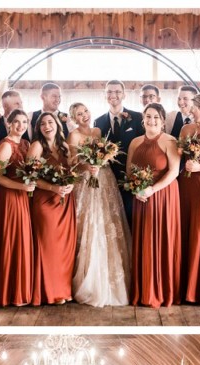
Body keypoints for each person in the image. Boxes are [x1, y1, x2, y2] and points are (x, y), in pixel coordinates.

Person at [67, 101, 131, 307]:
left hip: (105, 179)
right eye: (79, 114)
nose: (84, 115)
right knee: (89, 223)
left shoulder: (98, 130)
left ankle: (113, 277)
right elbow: (72, 161)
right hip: (86, 181)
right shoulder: (74, 136)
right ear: (74, 119)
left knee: (108, 222)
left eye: (85, 111)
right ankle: (87, 276)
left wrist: (101, 162)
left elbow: (107, 153)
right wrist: (89, 166)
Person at [126, 102, 182, 308]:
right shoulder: (134, 142)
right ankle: (145, 290)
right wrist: (136, 189)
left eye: (156, 117)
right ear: (143, 119)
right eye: (148, 116)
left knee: (162, 239)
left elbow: (174, 172)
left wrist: (152, 189)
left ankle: (162, 291)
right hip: (140, 196)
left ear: (162, 120)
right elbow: (130, 170)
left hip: (163, 195)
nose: (151, 121)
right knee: (145, 240)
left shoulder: (170, 141)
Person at [0, 108, 41, 307]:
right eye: (16, 122)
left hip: (23, 197)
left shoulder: (26, 144)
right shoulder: (5, 146)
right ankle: (9, 293)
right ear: (8, 124)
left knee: (22, 240)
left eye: (24, 122)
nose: (21, 126)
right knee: (13, 240)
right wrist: (21, 186)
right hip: (10, 197)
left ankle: (21, 290)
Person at [28, 111, 77, 305]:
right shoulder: (37, 146)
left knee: (65, 247)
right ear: (38, 128)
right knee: (49, 247)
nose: (47, 126)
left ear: (57, 124)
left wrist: (71, 184)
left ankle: (63, 290)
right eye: (43, 124)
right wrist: (53, 188)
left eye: (50, 122)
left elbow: (72, 171)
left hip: (65, 201)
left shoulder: (64, 146)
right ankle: (49, 292)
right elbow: (30, 176)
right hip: (45, 201)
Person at [92, 79, 145, 224]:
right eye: (109, 92)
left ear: (124, 95)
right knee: (111, 218)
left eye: (117, 92)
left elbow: (143, 145)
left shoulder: (137, 117)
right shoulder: (98, 122)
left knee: (131, 216)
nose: (113, 95)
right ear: (105, 95)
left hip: (132, 176)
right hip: (108, 176)